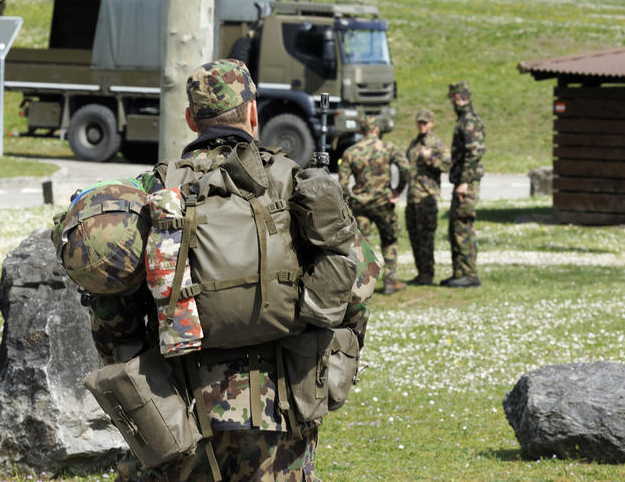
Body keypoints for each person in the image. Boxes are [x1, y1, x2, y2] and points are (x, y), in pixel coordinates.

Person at [84, 59, 370, 482]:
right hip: (282, 410)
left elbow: (112, 307)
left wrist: (134, 366)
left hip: (176, 409)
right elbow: (354, 284)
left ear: (190, 119)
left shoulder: (155, 190)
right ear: (253, 113)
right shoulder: (293, 180)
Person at [338, 115, 410, 295]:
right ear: (377, 129)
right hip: (383, 204)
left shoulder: (351, 152)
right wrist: (397, 190)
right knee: (390, 239)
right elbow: (405, 167)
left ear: (362, 131)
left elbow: (342, 183)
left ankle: (363, 286)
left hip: (361, 205)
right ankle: (390, 281)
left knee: (362, 245)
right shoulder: (388, 147)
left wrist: (350, 201)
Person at [441, 81, 485, 288]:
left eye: (452, 99)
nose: (451, 103)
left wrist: (465, 182)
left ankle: (469, 274)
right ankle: (459, 272)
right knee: (455, 227)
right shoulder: (464, 120)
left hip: (466, 184)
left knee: (463, 228)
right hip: (461, 182)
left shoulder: (469, 121)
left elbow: (474, 152)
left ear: (458, 98)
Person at [405, 108, 451, 286]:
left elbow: (447, 165)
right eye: (419, 122)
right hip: (412, 196)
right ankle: (421, 271)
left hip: (427, 197)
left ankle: (428, 273)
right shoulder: (415, 143)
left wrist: (430, 157)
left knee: (426, 237)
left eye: (425, 122)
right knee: (414, 235)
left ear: (432, 123)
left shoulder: (437, 144)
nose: (422, 125)